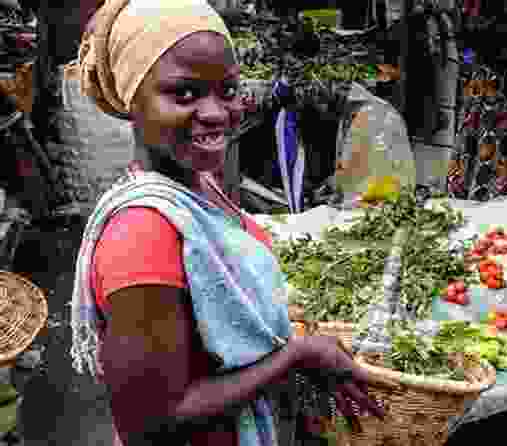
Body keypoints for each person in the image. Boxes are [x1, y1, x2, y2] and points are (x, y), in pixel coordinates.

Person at [68, 1, 384, 445]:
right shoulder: (142, 237)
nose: (217, 113)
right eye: (184, 93)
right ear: (130, 101)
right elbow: (149, 424)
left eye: (228, 90)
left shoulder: (198, 185)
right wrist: (292, 358)